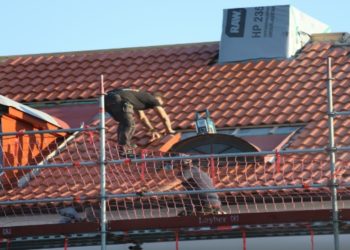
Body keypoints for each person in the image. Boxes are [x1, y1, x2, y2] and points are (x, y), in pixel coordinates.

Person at [105, 88, 176, 148]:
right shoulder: (154, 100)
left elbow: (142, 118)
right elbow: (163, 116)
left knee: (123, 123)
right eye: (160, 104)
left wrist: (152, 130)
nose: (159, 105)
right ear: (159, 99)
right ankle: (125, 149)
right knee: (130, 124)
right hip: (119, 99)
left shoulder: (138, 98)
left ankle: (122, 147)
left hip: (106, 99)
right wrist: (169, 130)